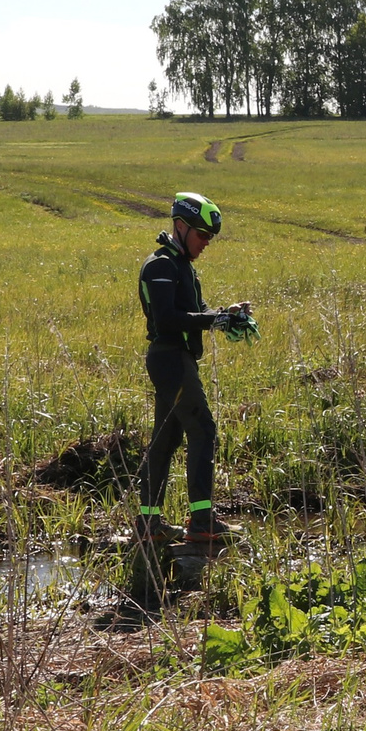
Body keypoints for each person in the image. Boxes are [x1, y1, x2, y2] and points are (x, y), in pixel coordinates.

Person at [137, 192, 250, 549]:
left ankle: (149, 523)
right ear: (181, 226)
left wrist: (225, 314)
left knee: (166, 440)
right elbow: (168, 319)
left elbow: (196, 312)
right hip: (169, 359)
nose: (206, 243)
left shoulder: (182, 266)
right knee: (203, 428)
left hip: (179, 359)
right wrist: (214, 318)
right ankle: (202, 522)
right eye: (202, 235)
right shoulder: (159, 267)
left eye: (210, 237)